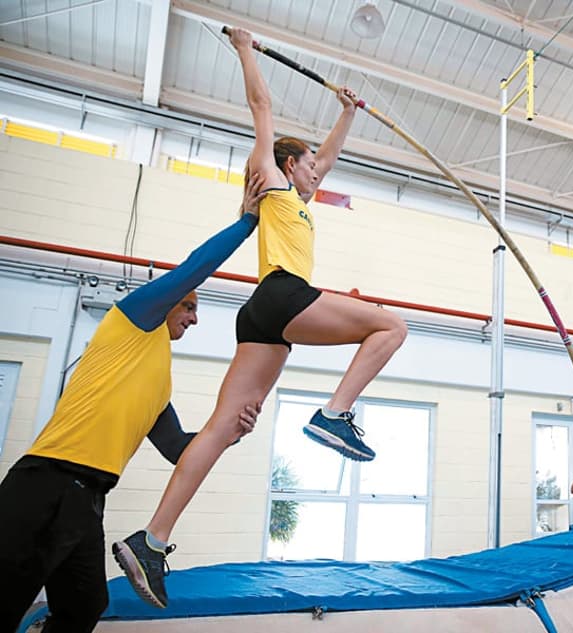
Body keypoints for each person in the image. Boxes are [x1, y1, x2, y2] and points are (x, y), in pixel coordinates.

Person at [113, 26, 407, 609]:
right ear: (290, 166)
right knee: (391, 326)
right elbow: (262, 107)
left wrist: (347, 112)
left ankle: (151, 541)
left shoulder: (296, 199)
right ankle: (334, 413)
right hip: (282, 294)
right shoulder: (271, 180)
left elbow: (328, 158)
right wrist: (246, 50)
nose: (318, 174)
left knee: (224, 427)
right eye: (310, 167)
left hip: (262, 320)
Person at [0, 177, 267, 633]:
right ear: (165, 302)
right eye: (188, 306)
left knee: (85, 605)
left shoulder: (159, 380)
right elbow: (194, 269)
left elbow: (180, 450)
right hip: (46, 481)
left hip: (89, 499)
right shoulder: (133, 320)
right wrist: (248, 222)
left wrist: (231, 431)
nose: (194, 317)